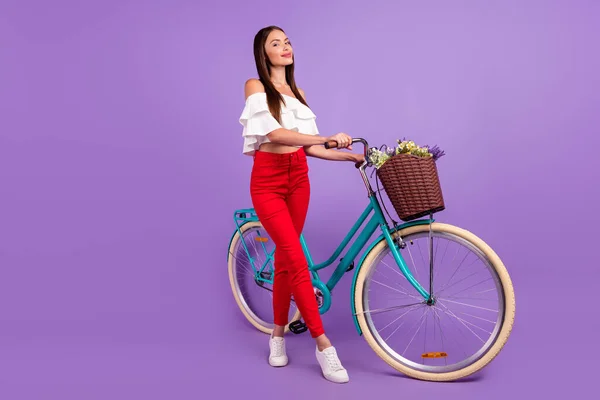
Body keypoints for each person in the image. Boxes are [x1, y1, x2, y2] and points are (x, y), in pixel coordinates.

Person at [238, 26, 364, 384]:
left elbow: (308, 147)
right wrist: (324, 136)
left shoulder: (299, 93)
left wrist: (351, 155)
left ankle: (277, 335)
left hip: (299, 179)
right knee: (295, 257)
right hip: (268, 181)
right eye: (275, 44)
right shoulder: (255, 86)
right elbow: (275, 135)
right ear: (264, 54)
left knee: (284, 259)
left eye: (287, 41)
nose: (285, 47)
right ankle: (323, 345)